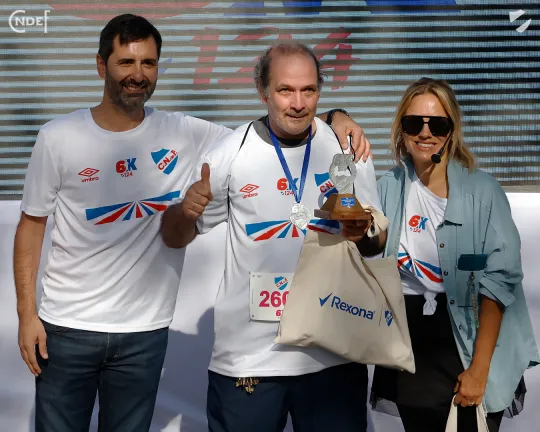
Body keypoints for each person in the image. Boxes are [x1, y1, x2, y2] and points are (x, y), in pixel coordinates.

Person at [13, 14, 372, 432]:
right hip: (66, 327)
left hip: (143, 332)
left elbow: (275, 126)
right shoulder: (58, 136)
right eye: (126, 62)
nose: (137, 74)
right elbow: (31, 227)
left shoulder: (185, 132)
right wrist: (26, 315)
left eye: (148, 63)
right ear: (100, 65)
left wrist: (334, 116)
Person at [161, 42, 388, 432]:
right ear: (263, 91)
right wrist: (184, 212)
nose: (298, 103)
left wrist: (362, 231)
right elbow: (174, 237)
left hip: (333, 357)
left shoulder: (346, 147)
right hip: (250, 361)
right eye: (285, 90)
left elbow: (376, 243)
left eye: (308, 90)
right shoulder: (230, 152)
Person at [370, 77, 539, 432]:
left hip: (469, 341)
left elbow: (499, 282)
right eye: (414, 123)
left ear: (452, 130)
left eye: (438, 124)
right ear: (401, 129)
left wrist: (479, 369)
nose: (425, 133)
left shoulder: (484, 191)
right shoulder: (387, 187)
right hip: (410, 347)